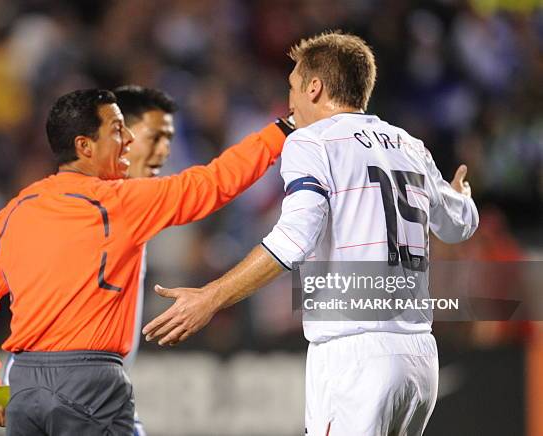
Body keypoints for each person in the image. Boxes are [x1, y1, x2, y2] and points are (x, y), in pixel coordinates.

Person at [143, 31, 479, 435]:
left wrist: (209, 298)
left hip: (355, 355)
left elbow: (294, 239)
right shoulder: (409, 146)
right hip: (419, 358)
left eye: (292, 87)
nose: (289, 103)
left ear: (314, 87)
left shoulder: (312, 142)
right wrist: (463, 196)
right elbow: (459, 224)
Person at [0, 88, 292, 435]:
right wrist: (283, 129)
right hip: (87, 384)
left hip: (22, 383)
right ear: (85, 146)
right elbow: (215, 182)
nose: (128, 138)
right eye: (117, 129)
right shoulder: (121, 203)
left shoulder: (11, 213)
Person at [0, 85, 179, 435]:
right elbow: (26, 326)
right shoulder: (70, 214)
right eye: (154, 137)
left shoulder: (131, 207)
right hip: (68, 391)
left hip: (94, 394)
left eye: (169, 139)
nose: (164, 151)